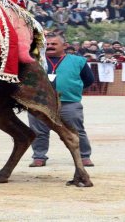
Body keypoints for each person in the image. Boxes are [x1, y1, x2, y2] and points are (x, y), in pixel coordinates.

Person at [28, 33, 95, 168]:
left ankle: (84, 156)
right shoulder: (33, 59)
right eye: (47, 44)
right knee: (38, 131)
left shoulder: (78, 61)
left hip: (68, 102)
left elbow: (88, 80)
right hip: (39, 103)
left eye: (54, 44)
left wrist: (73, 89)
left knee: (76, 130)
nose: (50, 46)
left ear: (64, 46)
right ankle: (39, 156)